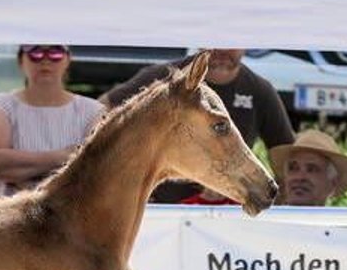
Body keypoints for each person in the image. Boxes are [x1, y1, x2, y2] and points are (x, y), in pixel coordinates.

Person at [102, 48, 295, 203]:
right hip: (161, 212)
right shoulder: (163, 78)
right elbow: (101, 113)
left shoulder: (259, 90)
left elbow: (286, 164)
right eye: (215, 39)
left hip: (226, 216)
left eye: (232, 42)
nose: (222, 49)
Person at [0, 44, 104, 194]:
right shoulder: (0, 106)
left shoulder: (92, 111)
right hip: (8, 205)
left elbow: (97, 167)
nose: (45, 60)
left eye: (55, 53)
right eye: (35, 53)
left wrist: (20, 168)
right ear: (20, 61)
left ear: (68, 60)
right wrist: (62, 157)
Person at [268, 129, 347, 206]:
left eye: (312, 169)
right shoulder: (265, 220)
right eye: (293, 168)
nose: (300, 177)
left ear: (332, 184)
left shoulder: (345, 219)